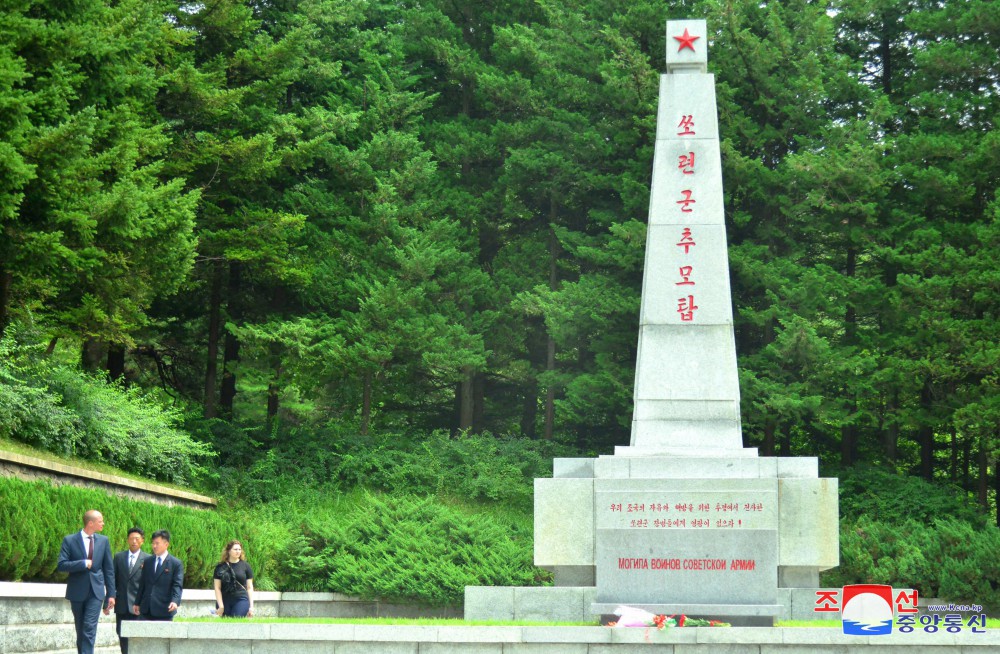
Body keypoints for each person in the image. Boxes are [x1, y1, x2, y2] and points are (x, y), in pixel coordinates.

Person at [57, 510, 116, 654]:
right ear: (91, 523)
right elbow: (62, 565)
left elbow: (109, 569)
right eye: (100, 521)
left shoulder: (104, 541)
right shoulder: (69, 540)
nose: (103, 523)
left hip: (96, 592)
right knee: (81, 628)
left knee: (89, 627)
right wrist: (82, 563)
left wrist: (111, 594)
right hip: (77, 591)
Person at [111, 527, 149, 654]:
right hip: (121, 605)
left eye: (137, 539)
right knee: (122, 636)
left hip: (139, 607)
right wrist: (109, 600)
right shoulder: (118, 557)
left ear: (142, 541)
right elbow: (113, 580)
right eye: (131, 538)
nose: (134, 541)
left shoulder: (148, 559)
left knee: (138, 637)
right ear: (127, 540)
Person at [132, 530, 183, 620]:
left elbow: (177, 585)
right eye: (153, 543)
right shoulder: (148, 561)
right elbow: (142, 584)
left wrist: (175, 601)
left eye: (157, 543)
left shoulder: (175, 564)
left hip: (165, 609)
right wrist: (137, 602)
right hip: (146, 609)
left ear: (166, 544)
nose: (154, 546)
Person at [213, 540, 255, 617]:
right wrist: (221, 606)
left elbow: (249, 587)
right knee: (225, 623)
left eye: (239, 549)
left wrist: (251, 607)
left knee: (236, 619)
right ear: (228, 551)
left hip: (241, 599)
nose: (238, 551)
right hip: (224, 600)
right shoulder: (220, 567)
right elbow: (217, 587)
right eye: (235, 549)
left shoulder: (246, 566)